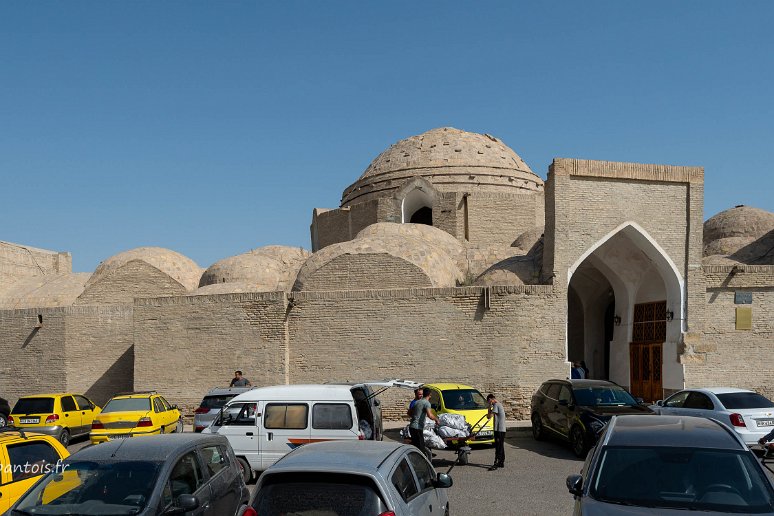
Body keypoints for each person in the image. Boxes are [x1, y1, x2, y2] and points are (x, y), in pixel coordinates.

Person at [408, 388, 439, 461]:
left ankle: (414, 462)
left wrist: (416, 416)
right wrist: (437, 420)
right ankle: (420, 465)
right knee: (421, 448)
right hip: (417, 428)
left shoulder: (416, 402)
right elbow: (430, 415)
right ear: (429, 395)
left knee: (415, 446)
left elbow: (409, 413)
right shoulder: (426, 403)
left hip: (412, 427)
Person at [486, 393, 506, 470]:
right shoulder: (499, 405)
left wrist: (489, 407)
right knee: (500, 446)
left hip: (499, 430)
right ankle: (501, 462)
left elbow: (489, 416)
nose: (489, 403)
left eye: (488, 401)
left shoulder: (496, 405)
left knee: (498, 446)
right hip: (501, 429)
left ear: (491, 399)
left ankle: (496, 463)